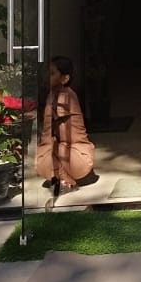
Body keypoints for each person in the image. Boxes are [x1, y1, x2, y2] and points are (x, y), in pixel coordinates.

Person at [35, 55, 95, 194]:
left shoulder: (66, 95)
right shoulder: (52, 95)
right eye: (47, 72)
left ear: (65, 79)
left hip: (77, 156)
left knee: (49, 149)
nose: (46, 76)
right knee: (41, 159)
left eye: (52, 73)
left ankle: (66, 180)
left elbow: (50, 124)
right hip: (65, 155)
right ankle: (63, 178)